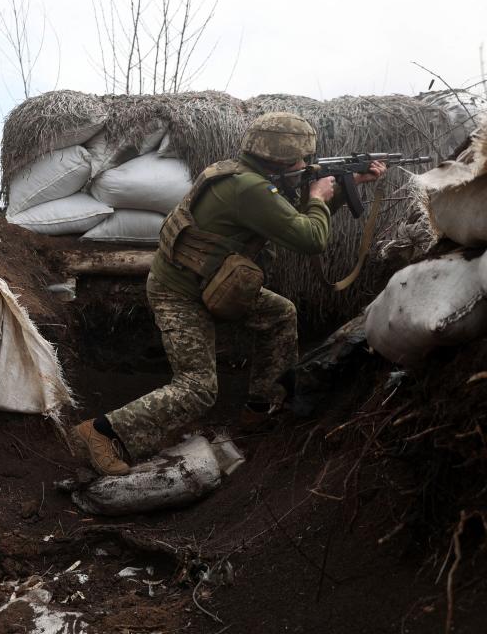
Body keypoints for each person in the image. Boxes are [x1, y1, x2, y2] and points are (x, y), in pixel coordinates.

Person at [73, 112, 386, 476]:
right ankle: (101, 432)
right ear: (280, 158)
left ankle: (261, 409)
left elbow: (289, 222)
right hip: (179, 292)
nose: (305, 165)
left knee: (280, 314)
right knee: (198, 388)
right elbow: (309, 238)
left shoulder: (243, 175)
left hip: (215, 283)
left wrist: (347, 187)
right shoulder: (250, 189)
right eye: (301, 159)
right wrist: (318, 197)